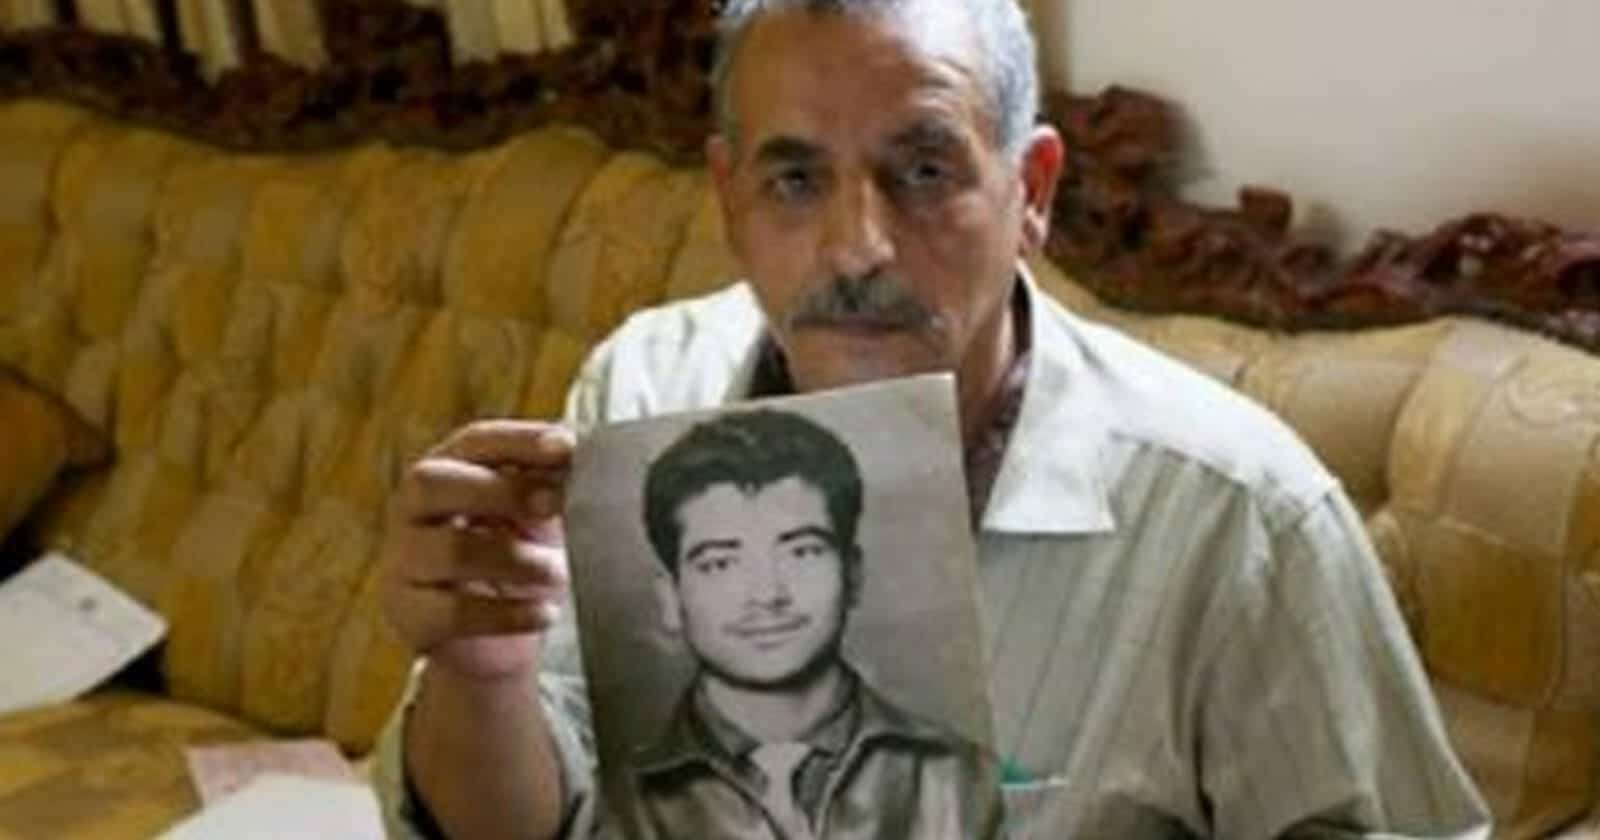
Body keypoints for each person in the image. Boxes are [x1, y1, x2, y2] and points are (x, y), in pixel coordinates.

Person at [373, 0, 1493, 837]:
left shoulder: (1239, 514)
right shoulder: (642, 388)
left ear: (1032, 190)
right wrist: (483, 674)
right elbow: (523, 820)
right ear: (729, 197)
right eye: (795, 181)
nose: (858, 248)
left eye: (920, 170)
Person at [624, 408, 1002, 840]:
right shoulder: (612, 802)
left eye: (802, 552)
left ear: (853, 574)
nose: (767, 595)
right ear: (670, 597)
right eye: (720, 563)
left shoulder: (961, 780)